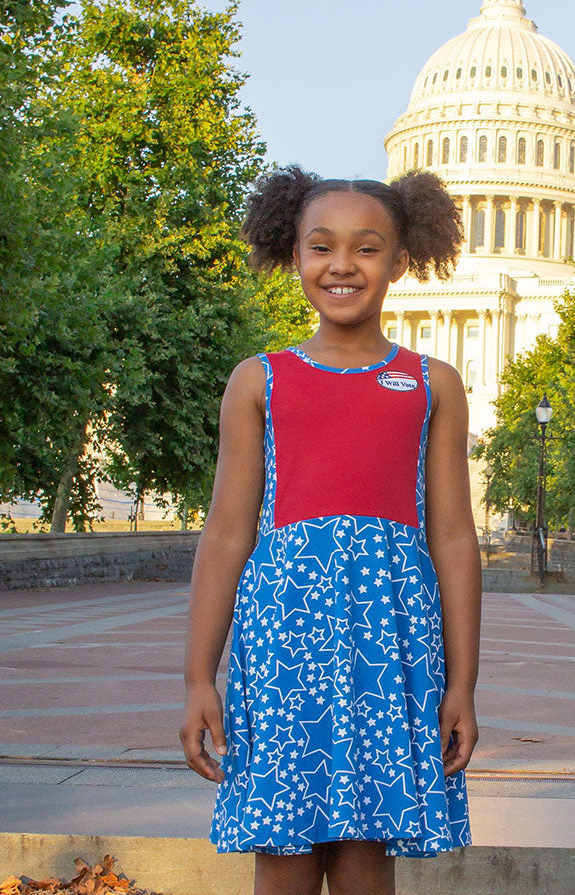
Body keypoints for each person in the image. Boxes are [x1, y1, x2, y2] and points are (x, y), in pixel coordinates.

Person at [179, 167, 482, 895]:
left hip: (392, 646)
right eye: (321, 246)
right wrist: (197, 678)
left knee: (366, 858)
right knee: (282, 853)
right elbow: (227, 533)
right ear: (293, 255)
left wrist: (462, 684)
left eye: (366, 248)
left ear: (401, 261)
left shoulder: (432, 383)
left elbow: (453, 539)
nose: (342, 264)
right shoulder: (259, 380)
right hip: (284, 646)